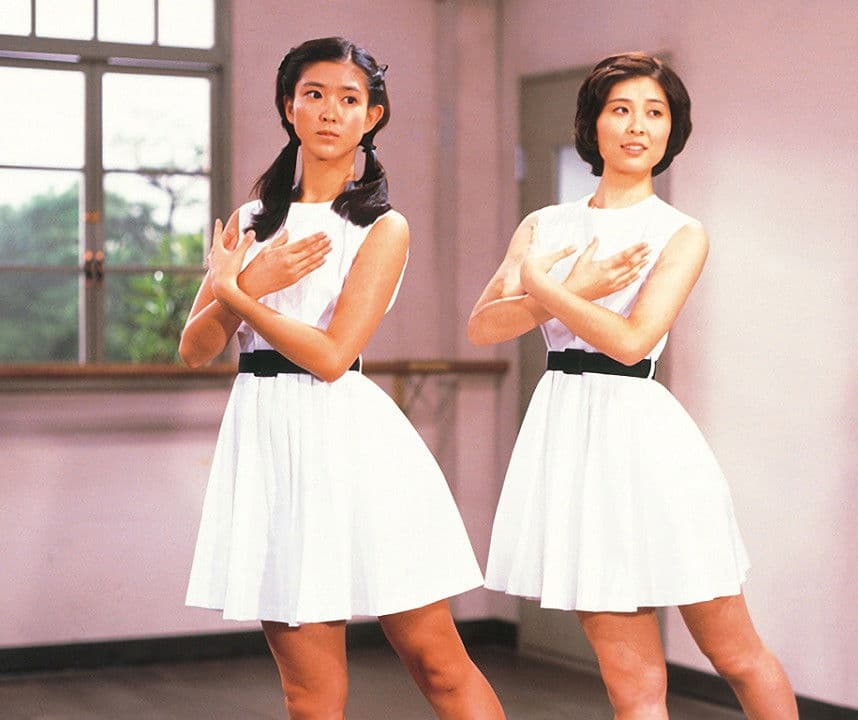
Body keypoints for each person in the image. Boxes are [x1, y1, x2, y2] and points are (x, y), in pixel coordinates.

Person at [180, 37, 503, 720]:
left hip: (351, 441)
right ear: (288, 107)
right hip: (268, 445)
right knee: (309, 695)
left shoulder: (383, 227)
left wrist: (238, 291)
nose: (330, 111)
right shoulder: (248, 222)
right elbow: (195, 349)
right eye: (314, 95)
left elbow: (331, 356)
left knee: (439, 666)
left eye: (349, 99)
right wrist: (248, 282)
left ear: (372, 116)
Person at [468, 52, 798, 720]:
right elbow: (483, 327)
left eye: (655, 112)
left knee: (734, 653)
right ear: (593, 124)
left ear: (673, 130)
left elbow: (631, 341)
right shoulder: (544, 225)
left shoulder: (680, 233)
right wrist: (565, 287)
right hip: (568, 439)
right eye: (621, 110)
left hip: (644, 438)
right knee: (632, 684)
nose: (638, 126)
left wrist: (548, 287)